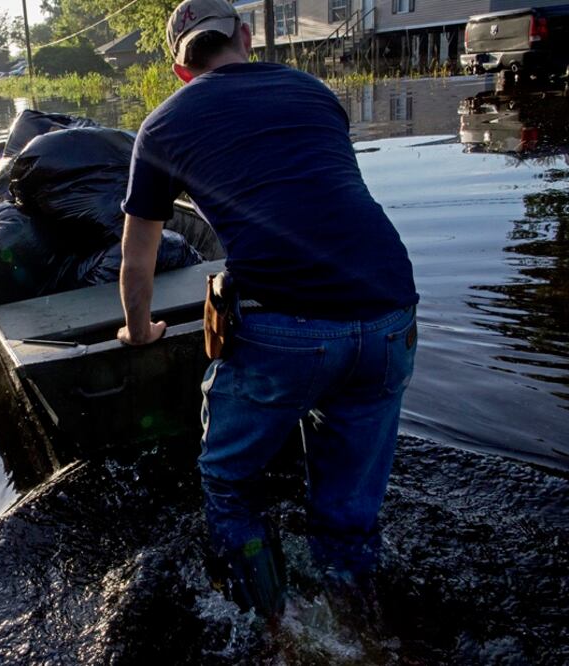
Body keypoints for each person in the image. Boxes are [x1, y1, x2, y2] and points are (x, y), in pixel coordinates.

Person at [116, 0, 419, 618]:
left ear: (179, 68)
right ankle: (357, 628)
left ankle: (277, 629)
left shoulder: (164, 124)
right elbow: (318, 195)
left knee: (228, 482)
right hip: (392, 313)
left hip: (286, 333)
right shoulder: (314, 92)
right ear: (248, 37)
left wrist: (140, 326)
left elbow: (137, 258)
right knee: (348, 511)